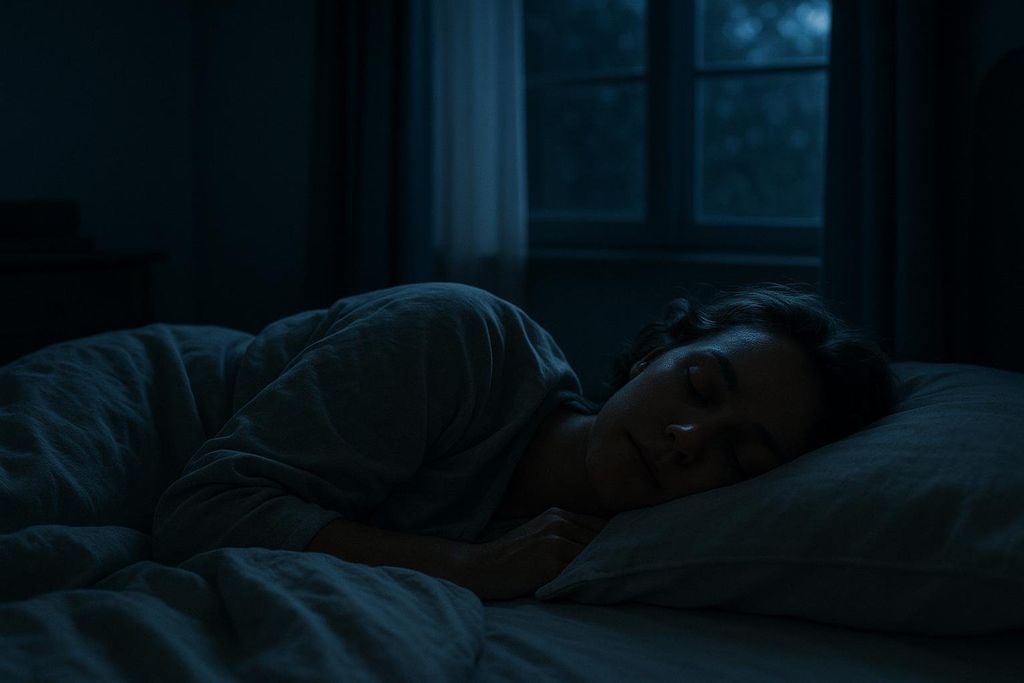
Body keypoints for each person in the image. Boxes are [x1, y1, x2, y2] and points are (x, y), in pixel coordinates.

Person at [149, 282, 892, 601]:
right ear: (647, 355)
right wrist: (468, 566)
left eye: (741, 455)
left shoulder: (607, 560)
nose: (688, 439)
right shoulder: (464, 338)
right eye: (698, 385)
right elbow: (204, 509)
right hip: (143, 402)